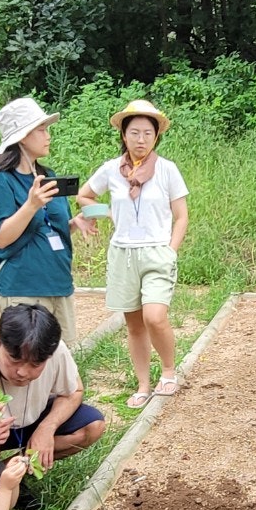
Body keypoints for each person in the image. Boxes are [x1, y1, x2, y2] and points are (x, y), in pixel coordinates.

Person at [76, 99, 189, 408]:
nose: (141, 140)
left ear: (156, 137)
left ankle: (168, 371)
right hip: (123, 254)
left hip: (157, 253)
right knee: (134, 324)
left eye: (148, 134)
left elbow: (181, 216)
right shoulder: (111, 170)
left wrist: (171, 251)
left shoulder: (167, 170)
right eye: (135, 133)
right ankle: (142, 384)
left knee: (155, 317)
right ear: (123, 135)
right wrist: (108, 212)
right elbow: (84, 196)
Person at [0, 303, 106, 475]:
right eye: (14, 360)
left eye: (35, 364)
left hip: (32, 421)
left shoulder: (56, 351)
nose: (22, 372)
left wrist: (47, 428)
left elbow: (74, 391)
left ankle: (9, 471)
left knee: (92, 426)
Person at [0, 97, 93, 345]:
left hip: (59, 283)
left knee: (65, 363)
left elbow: (47, 227)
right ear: (21, 136)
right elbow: (1, 238)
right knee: (28, 366)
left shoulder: (47, 175)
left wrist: (73, 224)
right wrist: (31, 205)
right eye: (40, 129)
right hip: (23, 287)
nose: (47, 135)